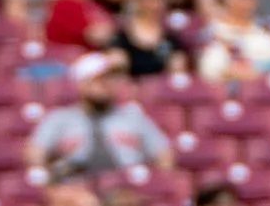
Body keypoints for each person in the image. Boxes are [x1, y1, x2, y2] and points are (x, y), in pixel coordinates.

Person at [27, 54, 172, 178]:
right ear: (82, 84)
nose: (107, 84)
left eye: (110, 78)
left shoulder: (133, 116)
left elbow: (164, 154)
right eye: (99, 79)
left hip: (125, 188)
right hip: (75, 186)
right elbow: (35, 154)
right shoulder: (59, 118)